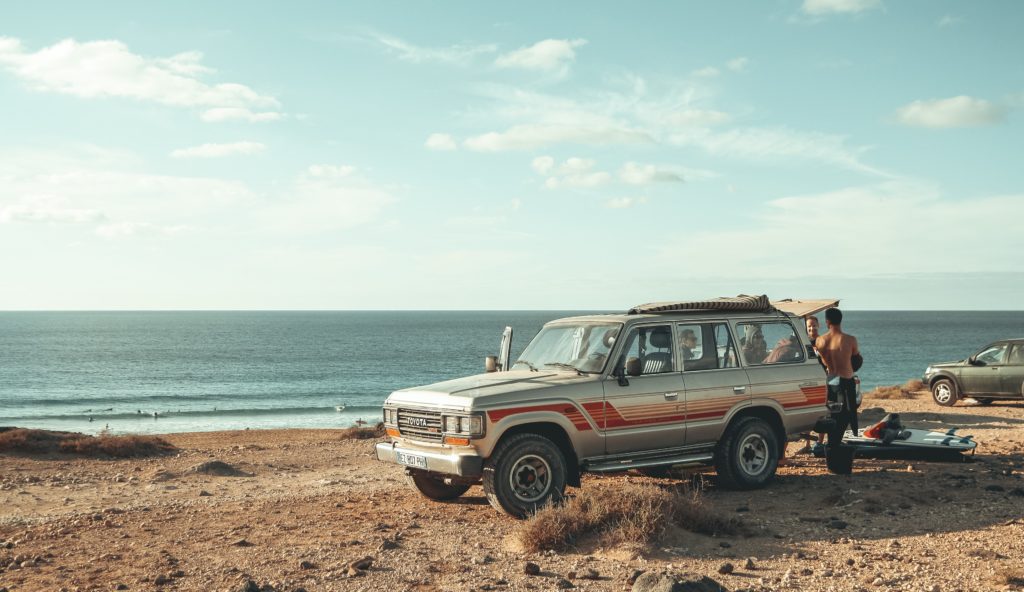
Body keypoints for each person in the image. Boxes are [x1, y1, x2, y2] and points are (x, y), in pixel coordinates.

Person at [815, 307, 861, 473]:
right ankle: (834, 447)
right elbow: (856, 361)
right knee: (846, 415)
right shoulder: (850, 340)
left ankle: (832, 445)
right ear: (840, 320)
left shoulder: (820, 341)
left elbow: (820, 359)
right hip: (845, 380)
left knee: (832, 414)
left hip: (831, 379)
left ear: (827, 322)